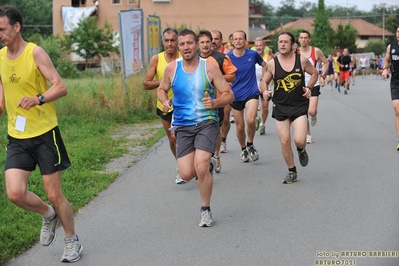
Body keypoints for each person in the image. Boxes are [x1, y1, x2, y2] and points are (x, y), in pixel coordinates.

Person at [0, 5, 82, 262]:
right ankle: (48, 215)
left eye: (2, 29)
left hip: (45, 134)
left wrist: (38, 99)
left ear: (16, 27)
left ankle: (71, 241)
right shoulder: (0, 57)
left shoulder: (35, 53)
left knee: (55, 194)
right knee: (14, 193)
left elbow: (61, 87)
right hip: (17, 137)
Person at [157, 29, 234, 227]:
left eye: (189, 43)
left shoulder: (209, 67)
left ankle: (205, 209)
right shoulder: (172, 69)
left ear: (197, 44)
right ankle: (205, 168)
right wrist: (165, 100)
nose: (186, 47)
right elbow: (161, 88)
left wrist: (215, 103)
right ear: (178, 46)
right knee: (185, 174)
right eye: (182, 44)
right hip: (183, 125)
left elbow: (228, 94)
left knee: (200, 167)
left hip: (207, 122)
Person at [260, 31, 318, 184]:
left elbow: (314, 73)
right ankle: (292, 171)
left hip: (299, 106)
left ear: (293, 45)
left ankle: (301, 150)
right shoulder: (272, 64)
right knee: (285, 141)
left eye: (286, 42)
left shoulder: (302, 61)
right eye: (280, 42)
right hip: (280, 106)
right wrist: (264, 90)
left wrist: (309, 87)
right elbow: (263, 81)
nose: (283, 44)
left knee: (299, 140)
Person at [143, 28, 184, 184]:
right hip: (164, 105)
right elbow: (146, 83)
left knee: (181, 135)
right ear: (163, 42)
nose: (169, 44)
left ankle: (188, 164)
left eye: (172, 40)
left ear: (177, 41)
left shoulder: (183, 57)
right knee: (172, 139)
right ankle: (181, 165)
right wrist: (164, 82)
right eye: (166, 41)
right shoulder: (157, 59)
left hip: (183, 105)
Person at [198, 30, 237, 173]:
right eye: (202, 42)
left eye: (208, 42)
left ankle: (216, 154)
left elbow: (232, 77)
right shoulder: (192, 59)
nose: (205, 45)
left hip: (218, 100)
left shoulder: (221, 58)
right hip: (198, 102)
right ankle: (203, 160)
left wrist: (215, 78)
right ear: (198, 44)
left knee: (215, 130)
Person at [227, 30, 266, 162]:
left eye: (240, 39)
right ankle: (243, 148)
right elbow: (221, 73)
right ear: (232, 41)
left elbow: (264, 65)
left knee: (250, 120)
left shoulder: (253, 54)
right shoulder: (227, 57)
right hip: (236, 95)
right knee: (240, 126)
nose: (238, 41)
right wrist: (226, 83)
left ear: (245, 41)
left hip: (251, 92)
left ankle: (250, 144)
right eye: (235, 39)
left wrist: (263, 81)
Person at [298, 30, 329, 144]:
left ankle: (313, 116)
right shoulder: (295, 52)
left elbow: (326, 62)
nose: (303, 40)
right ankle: (308, 135)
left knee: (311, 111)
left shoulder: (315, 51)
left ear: (309, 39)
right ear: (299, 39)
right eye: (301, 38)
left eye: (306, 38)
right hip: (300, 85)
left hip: (314, 84)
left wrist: (322, 76)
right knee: (302, 112)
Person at [212, 30, 233, 153]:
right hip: (210, 95)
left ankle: (223, 140)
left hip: (224, 92)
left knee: (225, 119)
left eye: (216, 39)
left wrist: (216, 78)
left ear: (221, 40)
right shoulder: (203, 56)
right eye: (212, 39)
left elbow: (232, 76)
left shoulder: (226, 55)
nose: (214, 41)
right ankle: (214, 148)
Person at [382, 26, 399, 151]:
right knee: (397, 109)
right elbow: (387, 61)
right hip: (396, 82)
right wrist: (385, 69)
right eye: (398, 32)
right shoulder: (391, 47)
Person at [254, 38, 272, 135]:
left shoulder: (268, 58)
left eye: (260, 45)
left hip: (265, 84)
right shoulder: (252, 56)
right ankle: (256, 118)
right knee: (253, 106)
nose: (259, 47)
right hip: (253, 84)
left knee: (265, 107)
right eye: (257, 46)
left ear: (264, 46)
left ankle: (262, 124)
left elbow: (271, 72)